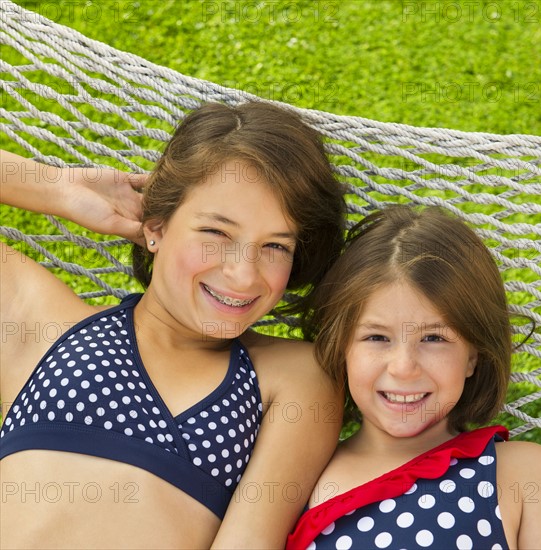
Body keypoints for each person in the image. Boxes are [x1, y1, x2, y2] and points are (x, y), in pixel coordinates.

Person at [0, 101, 347, 549]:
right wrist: (58, 188)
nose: (244, 275)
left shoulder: (293, 376)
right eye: (216, 233)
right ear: (157, 228)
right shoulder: (40, 323)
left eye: (276, 246)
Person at [287, 206, 541, 550]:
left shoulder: (521, 474)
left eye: (433, 339)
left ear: (473, 356)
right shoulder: (298, 475)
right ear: (342, 349)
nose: (403, 367)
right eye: (377, 337)